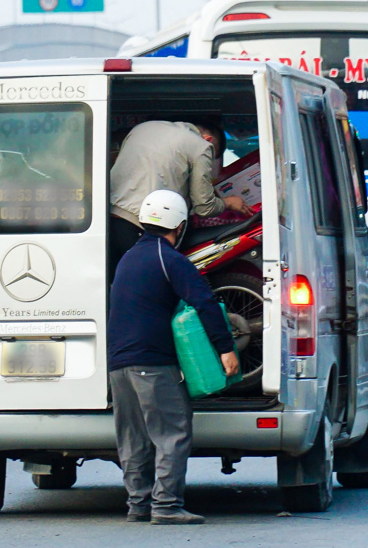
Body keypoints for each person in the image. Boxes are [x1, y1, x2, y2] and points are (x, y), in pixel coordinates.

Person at [107, 190, 239, 524]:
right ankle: (165, 505)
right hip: (152, 363)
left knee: (133, 436)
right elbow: (204, 303)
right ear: (179, 226)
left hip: (119, 365)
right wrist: (225, 349)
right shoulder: (170, 259)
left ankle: (138, 504)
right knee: (172, 431)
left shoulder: (128, 258)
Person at [108, 120, 253, 273]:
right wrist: (229, 203)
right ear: (208, 140)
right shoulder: (201, 145)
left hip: (111, 220)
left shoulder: (143, 128)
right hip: (143, 226)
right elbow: (204, 207)